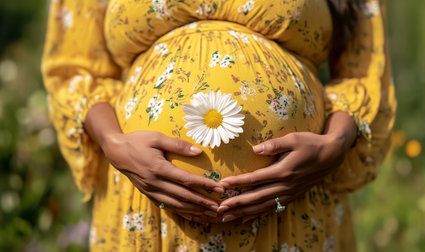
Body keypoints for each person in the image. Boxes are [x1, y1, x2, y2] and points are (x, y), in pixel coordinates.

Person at [41, 0, 396, 250]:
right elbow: (76, 67)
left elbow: (365, 69)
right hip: (146, 210)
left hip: (293, 211)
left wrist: (336, 141)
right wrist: (113, 141)